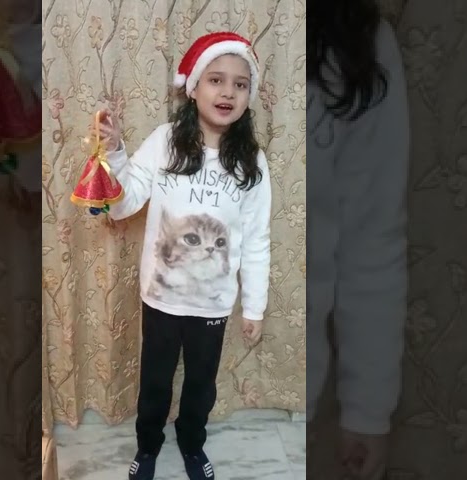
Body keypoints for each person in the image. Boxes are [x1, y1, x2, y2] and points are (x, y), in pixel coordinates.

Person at [93, 32, 272, 480]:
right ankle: (148, 447)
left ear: (249, 96)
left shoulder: (252, 162)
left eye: (240, 84)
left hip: (213, 305)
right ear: (193, 88)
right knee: (155, 382)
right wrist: (115, 153)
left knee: (200, 386)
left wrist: (254, 306)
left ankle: (192, 445)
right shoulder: (165, 141)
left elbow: (256, 238)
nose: (227, 92)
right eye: (216, 80)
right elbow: (123, 204)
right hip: (161, 298)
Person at [306, 0, 409, 478]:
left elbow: (370, 240)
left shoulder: (357, 44)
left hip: (275, 395)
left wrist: (368, 408)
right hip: (131, 374)